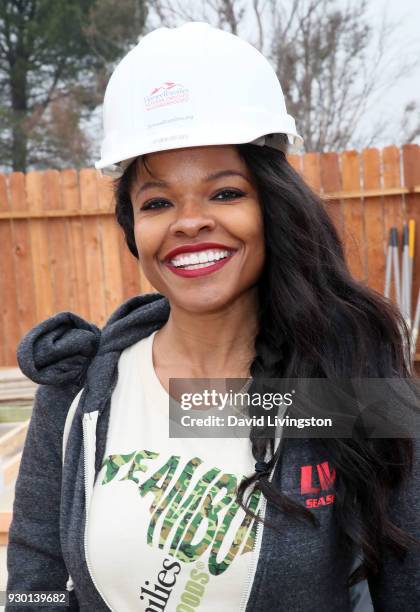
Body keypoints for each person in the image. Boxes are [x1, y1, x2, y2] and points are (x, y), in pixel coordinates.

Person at [6, 20, 420, 612]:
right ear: (132, 227)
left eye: (226, 193)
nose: (189, 221)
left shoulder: (342, 381)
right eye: (157, 202)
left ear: (273, 206)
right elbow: (35, 585)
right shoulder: (79, 389)